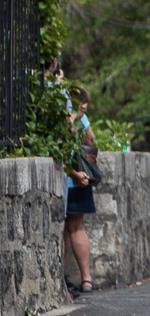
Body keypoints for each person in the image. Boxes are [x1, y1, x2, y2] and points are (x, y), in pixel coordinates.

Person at [64, 86, 95, 295]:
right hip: (79, 178)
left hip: (67, 177)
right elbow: (90, 140)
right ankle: (86, 278)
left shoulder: (62, 117)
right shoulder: (80, 119)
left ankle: (60, 277)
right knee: (77, 227)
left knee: (63, 230)